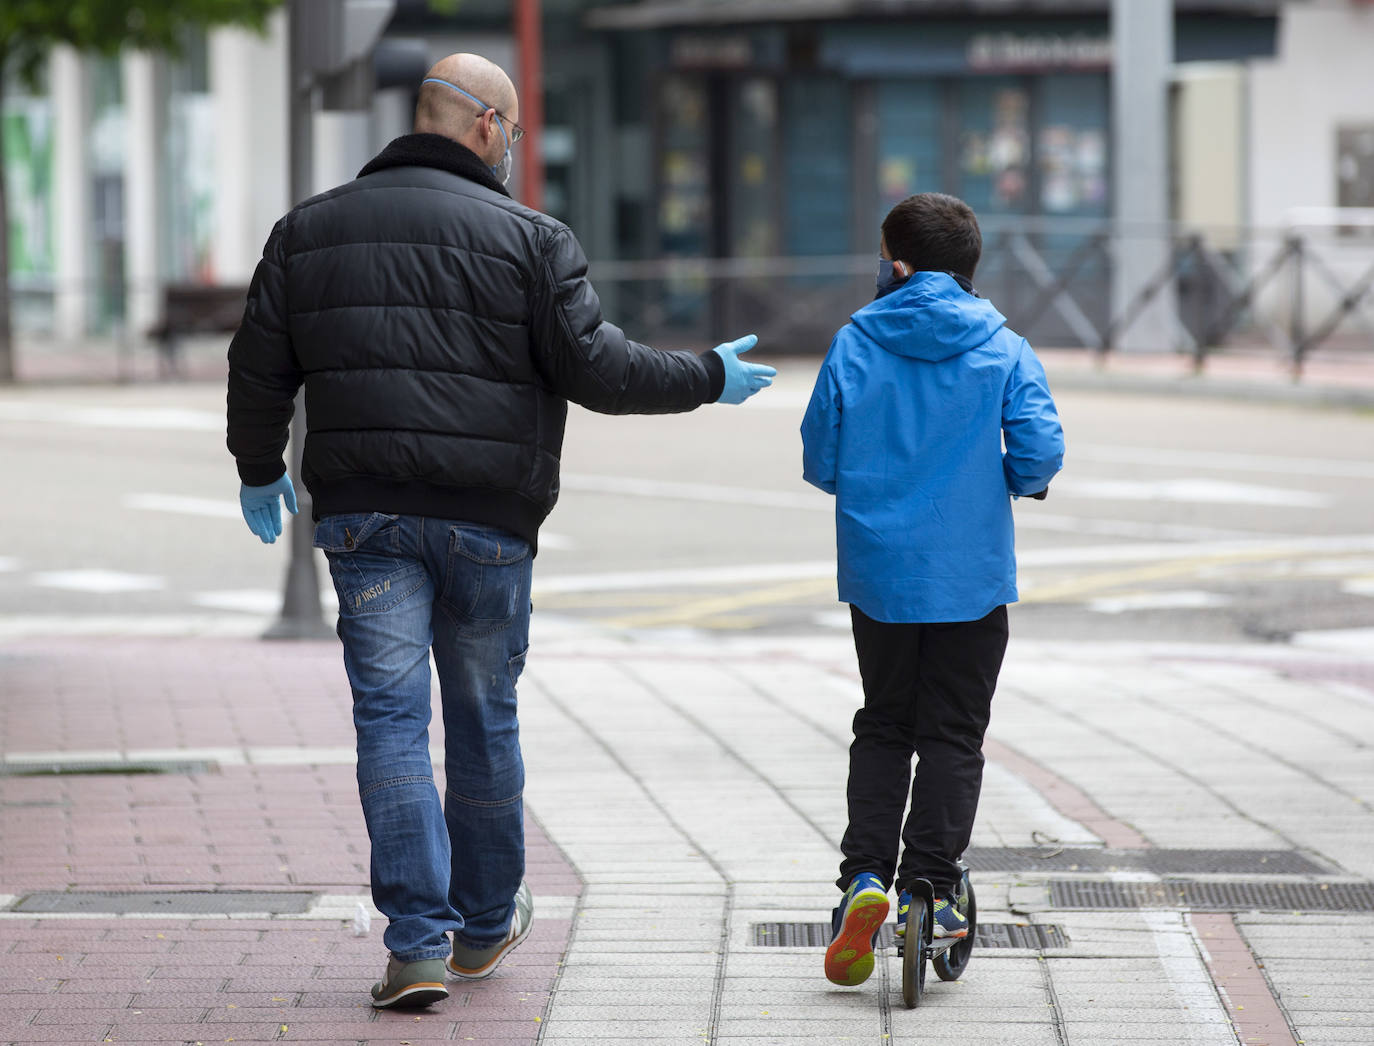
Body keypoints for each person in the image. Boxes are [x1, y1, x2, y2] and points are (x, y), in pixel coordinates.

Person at [226, 53, 775, 1009]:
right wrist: (705, 377)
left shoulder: (307, 230)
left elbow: (258, 364)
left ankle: (415, 947)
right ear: (485, 126)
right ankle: (483, 924)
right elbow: (597, 371)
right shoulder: (533, 238)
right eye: (514, 131)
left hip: (363, 522)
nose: (515, 147)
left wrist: (259, 466)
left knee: (390, 725)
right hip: (488, 522)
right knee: (483, 718)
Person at [800, 191, 1062, 988]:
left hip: (881, 579)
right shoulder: (1005, 347)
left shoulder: (855, 342)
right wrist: (1005, 481)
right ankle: (932, 889)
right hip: (972, 576)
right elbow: (1041, 453)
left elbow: (821, 456)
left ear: (898, 263)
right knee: (953, 736)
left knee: (883, 723)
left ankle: (865, 880)